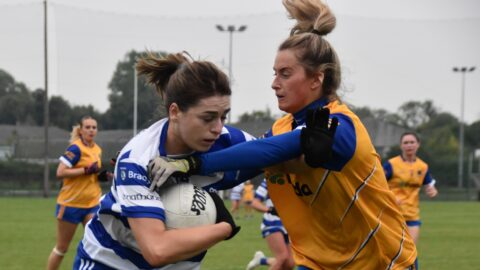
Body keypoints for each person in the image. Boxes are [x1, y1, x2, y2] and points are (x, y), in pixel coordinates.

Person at [147, 0, 419, 268]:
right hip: (315, 263)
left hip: (383, 262)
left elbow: (272, 150)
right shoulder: (280, 129)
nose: (274, 83)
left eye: (285, 74)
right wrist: (182, 177)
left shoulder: (340, 126)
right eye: (275, 73)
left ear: (317, 78)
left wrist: (193, 163)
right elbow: (242, 167)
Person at [72, 51, 279, 270]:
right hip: (110, 263)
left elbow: (277, 151)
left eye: (223, 116)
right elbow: (157, 250)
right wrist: (224, 227)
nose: (218, 128)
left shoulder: (226, 139)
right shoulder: (138, 160)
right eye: (207, 117)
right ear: (175, 112)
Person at [47, 116, 105, 270]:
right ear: (80, 130)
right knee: (62, 248)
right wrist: (85, 170)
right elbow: (60, 172)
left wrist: (102, 176)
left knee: (96, 246)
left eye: (94, 127)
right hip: (71, 204)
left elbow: (92, 174)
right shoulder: (76, 148)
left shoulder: (97, 149)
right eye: (88, 127)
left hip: (92, 202)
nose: (91, 130)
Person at [383, 132, 439, 244]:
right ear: (401, 146)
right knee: (393, 251)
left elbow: (430, 186)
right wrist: (390, 197)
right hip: (392, 213)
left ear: (418, 144)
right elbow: (377, 184)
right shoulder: (391, 164)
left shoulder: (423, 167)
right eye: (406, 143)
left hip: (412, 215)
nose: (409, 145)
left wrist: (433, 191)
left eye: (412, 142)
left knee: (411, 251)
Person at [246, 179, 294, 270]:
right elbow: (254, 203)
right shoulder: (270, 178)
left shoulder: (295, 178)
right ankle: (261, 260)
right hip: (271, 223)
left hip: (288, 224)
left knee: (290, 264)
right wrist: (271, 210)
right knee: (282, 257)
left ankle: (261, 260)